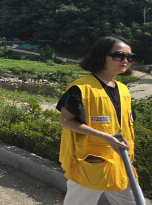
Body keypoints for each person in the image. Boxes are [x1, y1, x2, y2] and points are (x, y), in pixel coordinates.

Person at [56, 36, 139, 205]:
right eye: (119, 55)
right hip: (90, 163)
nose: (125, 60)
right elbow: (66, 121)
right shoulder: (81, 88)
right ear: (102, 56)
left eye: (130, 57)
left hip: (121, 163)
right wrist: (105, 136)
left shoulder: (123, 90)